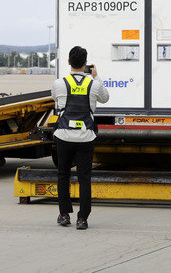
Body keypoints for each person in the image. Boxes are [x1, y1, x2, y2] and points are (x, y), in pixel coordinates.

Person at [52, 46, 109, 230]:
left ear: (68, 62)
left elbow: (56, 101)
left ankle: (64, 214)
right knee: (84, 177)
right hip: (85, 137)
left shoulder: (59, 83)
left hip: (64, 136)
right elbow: (105, 98)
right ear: (86, 63)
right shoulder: (94, 84)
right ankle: (82, 218)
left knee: (63, 175)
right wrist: (96, 76)